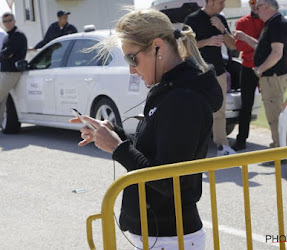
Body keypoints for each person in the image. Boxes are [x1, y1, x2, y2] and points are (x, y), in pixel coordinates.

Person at [70, 8, 223, 249]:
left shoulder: (183, 98)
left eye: (132, 58)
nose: (131, 69)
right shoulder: (173, 89)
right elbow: (154, 153)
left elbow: (166, 180)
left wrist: (118, 148)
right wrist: (115, 134)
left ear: (158, 47)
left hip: (170, 237)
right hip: (161, 235)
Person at [234, 0, 287, 149]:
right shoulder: (271, 23)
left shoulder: (276, 23)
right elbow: (261, 46)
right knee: (273, 114)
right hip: (270, 75)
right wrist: (245, 38)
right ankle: (277, 147)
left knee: (275, 116)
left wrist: (260, 69)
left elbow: (277, 53)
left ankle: (279, 151)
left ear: (266, 7)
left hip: (273, 76)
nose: (255, 10)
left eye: (258, 6)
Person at [184, 0, 237, 156]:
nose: (223, 5)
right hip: (198, 73)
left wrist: (222, 30)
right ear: (211, 2)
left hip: (218, 72)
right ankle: (194, 147)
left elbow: (233, 45)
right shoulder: (192, 20)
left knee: (219, 110)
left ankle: (222, 145)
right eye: (221, 2)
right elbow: (186, 47)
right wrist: (208, 42)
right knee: (197, 111)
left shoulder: (221, 19)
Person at [231, 0, 264, 151]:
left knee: (273, 105)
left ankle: (279, 143)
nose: (254, 4)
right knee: (246, 106)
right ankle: (241, 140)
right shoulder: (242, 22)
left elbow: (268, 47)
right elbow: (239, 46)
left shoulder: (268, 21)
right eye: (252, 1)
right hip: (247, 68)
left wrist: (249, 40)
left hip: (266, 68)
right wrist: (256, 44)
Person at [0, 12, 27, 124]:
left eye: (10, 20)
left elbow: (7, 54)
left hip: (12, 72)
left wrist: (4, 53)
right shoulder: (8, 36)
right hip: (5, 71)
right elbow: (4, 54)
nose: (7, 23)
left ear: (14, 21)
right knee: (2, 102)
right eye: (5, 21)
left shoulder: (17, 35)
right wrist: (4, 53)